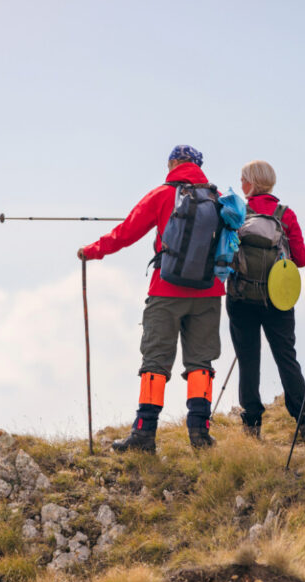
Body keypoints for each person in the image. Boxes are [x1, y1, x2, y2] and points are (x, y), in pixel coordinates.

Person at [78, 145, 223, 453]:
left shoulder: (161, 195)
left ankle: (144, 434)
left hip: (165, 290)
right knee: (201, 362)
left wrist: (92, 251)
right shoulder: (218, 199)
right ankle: (200, 433)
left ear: (172, 163)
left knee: (155, 360)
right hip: (208, 292)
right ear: (199, 167)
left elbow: (126, 232)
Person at [226, 160, 305, 440]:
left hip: (241, 298)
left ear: (251, 183)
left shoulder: (239, 212)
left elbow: (225, 252)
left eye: (243, 180)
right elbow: (302, 259)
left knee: (248, 360)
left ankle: (251, 424)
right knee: (286, 358)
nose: (240, 185)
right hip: (278, 300)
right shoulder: (285, 215)